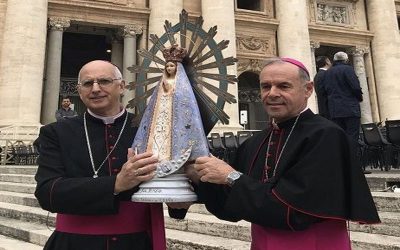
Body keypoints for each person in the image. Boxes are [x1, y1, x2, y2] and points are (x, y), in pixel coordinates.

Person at [189, 57, 380, 250]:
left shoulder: (326, 136)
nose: (272, 93)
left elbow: (296, 212)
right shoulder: (255, 142)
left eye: (283, 86)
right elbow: (231, 206)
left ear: (308, 90)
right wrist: (200, 177)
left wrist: (230, 176)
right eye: (265, 86)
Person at [34, 60, 167, 250]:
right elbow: (47, 192)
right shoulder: (56, 132)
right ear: (79, 91)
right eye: (88, 84)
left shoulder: (148, 128)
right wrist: (116, 184)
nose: (95, 89)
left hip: (135, 243)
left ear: (121, 87)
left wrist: (179, 204)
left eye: (104, 81)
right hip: (73, 244)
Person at [323, 51, 363, 142]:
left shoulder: (327, 73)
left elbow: (325, 90)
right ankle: (351, 156)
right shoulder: (348, 69)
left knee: (339, 137)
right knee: (352, 136)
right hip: (350, 109)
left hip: (334, 110)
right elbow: (355, 87)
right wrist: (359, 98)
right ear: (346, 60)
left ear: (334, 60)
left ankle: (341, 156)